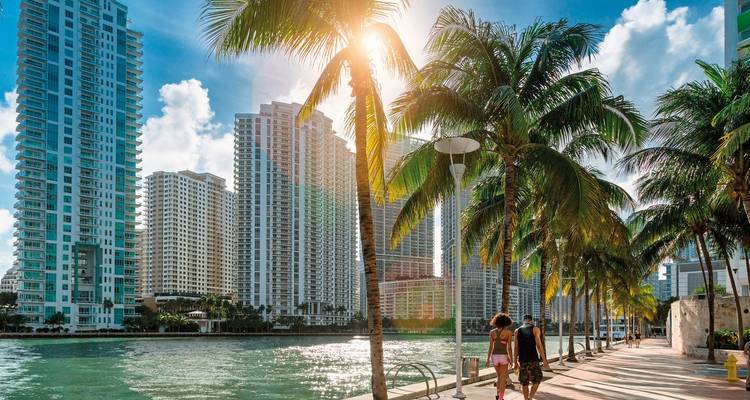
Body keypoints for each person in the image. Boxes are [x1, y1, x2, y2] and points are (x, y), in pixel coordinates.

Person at [513, 314, 550, 400]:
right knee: (537, 379)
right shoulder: (535, 329)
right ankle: (530, 397)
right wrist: (544, 360)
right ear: (531, 321)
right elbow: (539, 345)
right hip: (533, 359)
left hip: (522, 360)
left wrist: (515, 362)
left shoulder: (517, 331)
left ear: (523, 320)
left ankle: (526, 399)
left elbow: (516, 347)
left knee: (524, 382)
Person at [486, 313, 513, 400]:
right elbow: (509, 348)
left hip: (494, 356)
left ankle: (497, 394)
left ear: (496, 321)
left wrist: (487, 360)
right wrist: (511, 359)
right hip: (503, 356)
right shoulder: (508, 333)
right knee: (503, 378)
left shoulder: (492, 332)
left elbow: (490, 347)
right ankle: (501, 397)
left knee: (498, 376)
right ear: (506, 322)